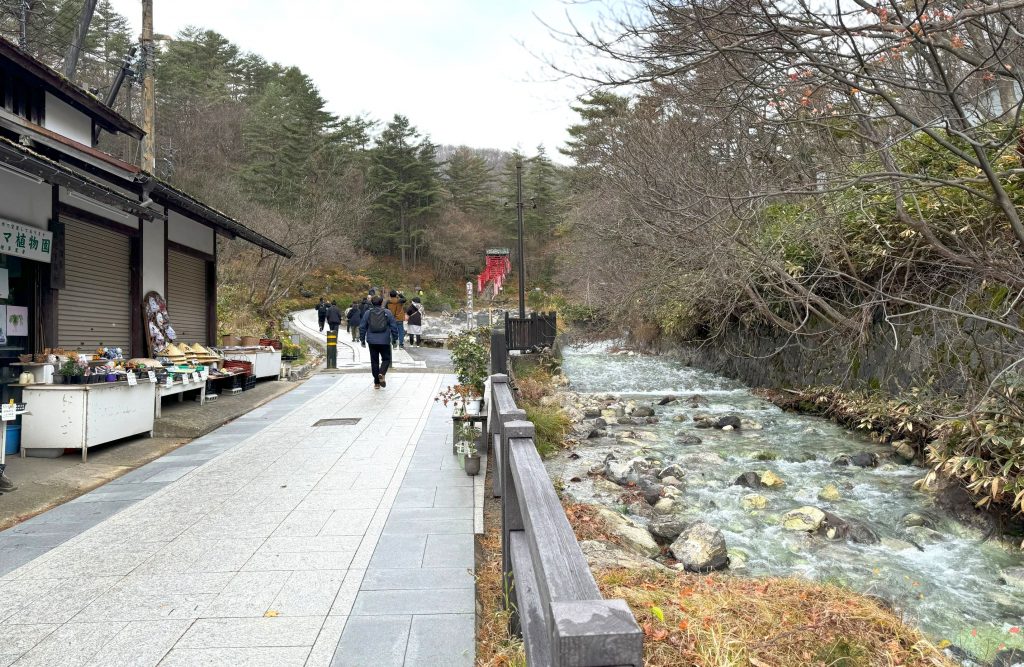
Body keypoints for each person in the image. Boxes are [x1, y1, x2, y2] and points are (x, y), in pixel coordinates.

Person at [359, 295, 401, 389]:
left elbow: (362, 327)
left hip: (372, 340)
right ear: (381, 302)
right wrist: (395, 339)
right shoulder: (387, 312)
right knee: (386, 359)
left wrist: (362, 339)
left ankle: (376, 383)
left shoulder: (368, 313)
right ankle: (381, 373)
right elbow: (393, 326)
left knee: (374, 361)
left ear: (372, 303)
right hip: (384, 340)